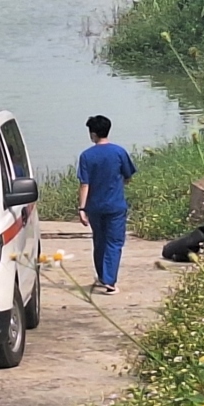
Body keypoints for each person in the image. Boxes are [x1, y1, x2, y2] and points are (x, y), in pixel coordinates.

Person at [77, 115, 137, 295]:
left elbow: (84, 184)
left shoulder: (86, 155)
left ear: (93, 134)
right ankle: (110, 281)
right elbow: (128, 176)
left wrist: (82, 208)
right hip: (116, 205)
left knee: (100, 241)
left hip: (94, 206)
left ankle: (103, 276)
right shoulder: (119, 152)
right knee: (115, 242)